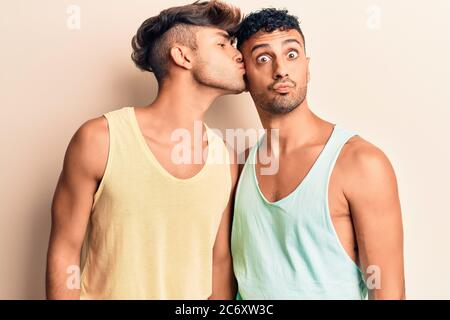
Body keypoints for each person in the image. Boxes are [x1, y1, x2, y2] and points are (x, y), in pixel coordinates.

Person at [46, 0, 245, 299]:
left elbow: (218, 263)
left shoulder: (226, 159)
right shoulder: (99, 139)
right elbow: (65, 251)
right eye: (222, 44)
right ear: (182, 55)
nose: (238, 53)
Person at [231, 8, 405, 299]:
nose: (281, 69)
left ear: (307, 67)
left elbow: (389, 294)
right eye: (263, 58)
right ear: (244, 74)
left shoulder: (360, 163)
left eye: (292, 54)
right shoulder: (238, 165)